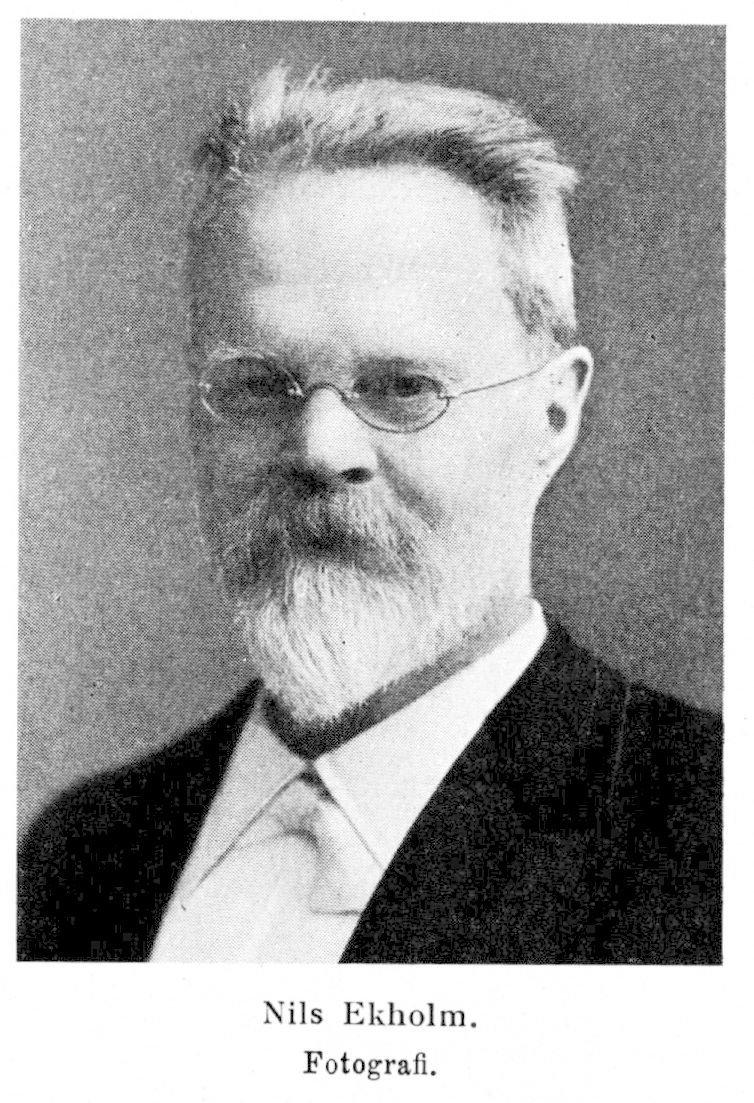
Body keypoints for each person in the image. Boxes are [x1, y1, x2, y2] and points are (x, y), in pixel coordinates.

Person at [18, 66, 721, 964]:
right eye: (256, 385)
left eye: (402, 386)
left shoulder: (706, 838)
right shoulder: (77, 856)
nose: (320, 448)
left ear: (553, 414)